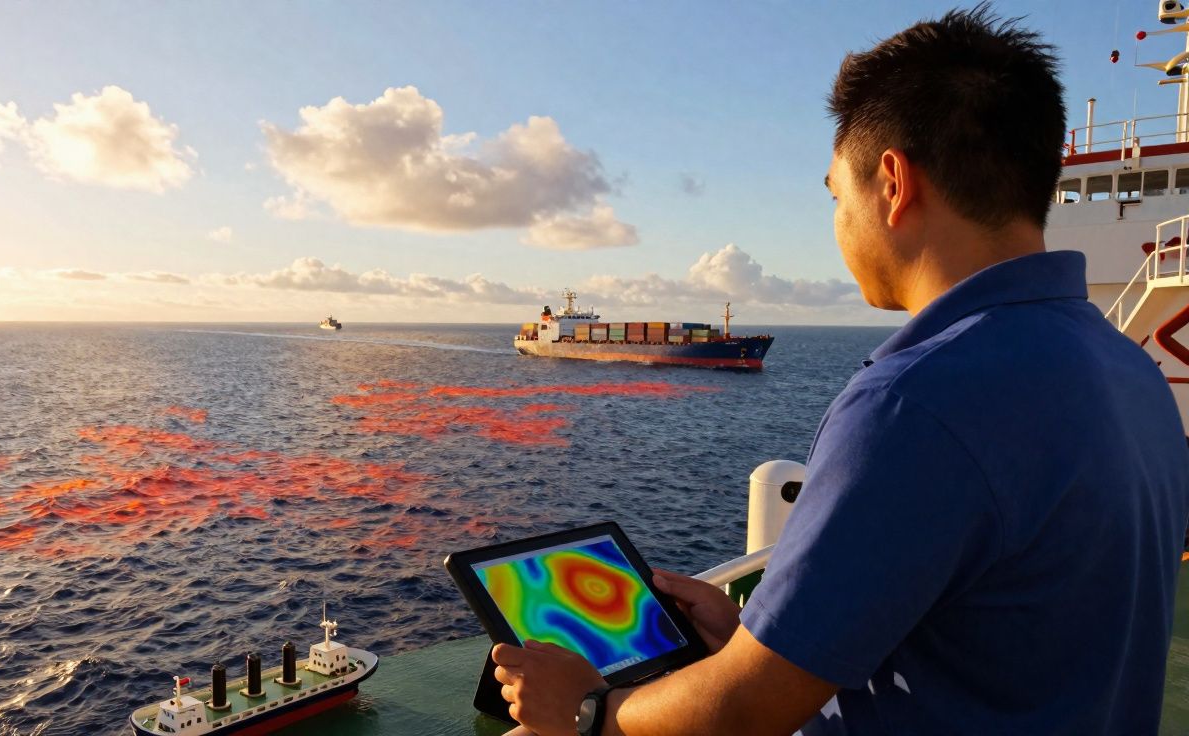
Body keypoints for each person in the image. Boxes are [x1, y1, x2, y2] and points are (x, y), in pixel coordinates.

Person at [491, 6, 1189, 735]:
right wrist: (749, 640)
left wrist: (588, 709)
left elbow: (743, 713)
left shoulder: (918, 402)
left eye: (833, 193)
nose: (835, 221)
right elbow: (1011, 638)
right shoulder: (1130, 372)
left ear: (892, 182)